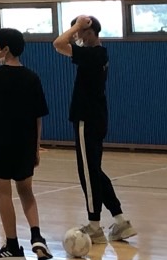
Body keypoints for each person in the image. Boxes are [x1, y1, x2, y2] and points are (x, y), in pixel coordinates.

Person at [0, 28, 52, 260]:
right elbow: (38, 116)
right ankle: (37, 237)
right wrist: (36, 147)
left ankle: (12, 246)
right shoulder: (32, 77)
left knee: (3, 193)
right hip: (25, 144)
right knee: (26, 191)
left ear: (5, 49)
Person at [53, 15, 135, 244]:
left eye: (79, 32)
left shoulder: (93, 54)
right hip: (96, 117)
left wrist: (78, 26)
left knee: (87, 173)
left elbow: (58, 44)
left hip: (87, 118)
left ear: (89, 33)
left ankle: (94, 226)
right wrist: (78, 29)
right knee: (95, 171)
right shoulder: (98, 54)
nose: (76, 36)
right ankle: (121, 221)